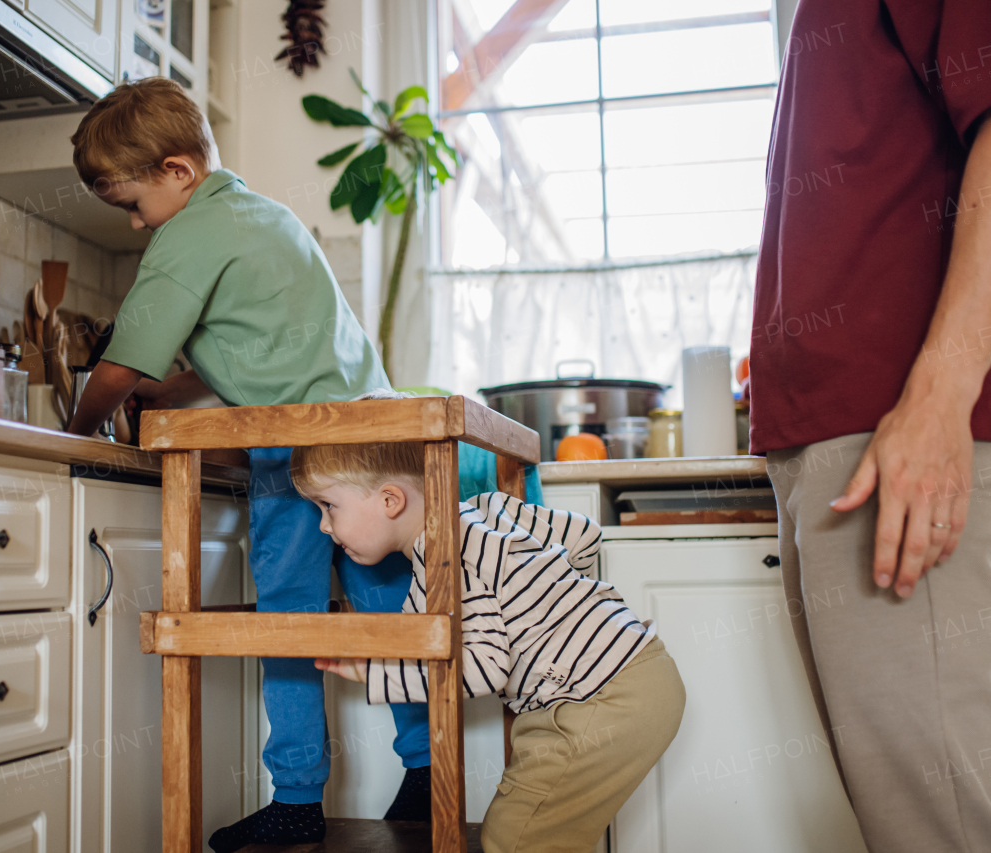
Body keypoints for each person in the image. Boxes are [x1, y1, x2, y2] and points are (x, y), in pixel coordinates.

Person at [63, 77, 431, 847]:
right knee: (390, 613)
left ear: (178, 173)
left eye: (133, 203)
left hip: (299, 449)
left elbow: (122, 365)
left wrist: (81, 423)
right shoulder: (263, 214)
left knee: (287, 619)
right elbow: (243, 348)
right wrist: (170, 382)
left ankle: (297, 796)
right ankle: (428, 776)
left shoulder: (187, 233)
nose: (135, 223)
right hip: (372, 438)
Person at [749, 2, 991, 851]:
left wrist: (936, 403)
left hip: (896, 423)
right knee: (913, 824)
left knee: (943, 829)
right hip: (843, 431)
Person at [291, 439, 686, 853]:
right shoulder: (487, 508)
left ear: (390, 500)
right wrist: (555, 603)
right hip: (639, 666)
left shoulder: (445, 556)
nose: (322, 525)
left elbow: (483, 668)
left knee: (516, 838)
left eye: (328, 506)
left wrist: (373, 671)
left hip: (602, 696)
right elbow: (585, 536)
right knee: (547, 833)